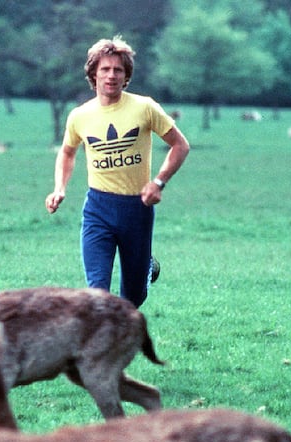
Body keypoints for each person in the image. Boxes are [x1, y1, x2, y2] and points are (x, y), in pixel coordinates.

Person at [45, 36, 189, 308]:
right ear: (93, 74)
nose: (111, 75)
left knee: (131, 300)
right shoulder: (79, 116)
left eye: (118, 70)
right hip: (98, 208)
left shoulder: (145, 107)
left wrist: (159, 182)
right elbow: (67, 152)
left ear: (126, 76)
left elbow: (180, 145)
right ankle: (101, 350)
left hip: (137, 209)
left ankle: (145, 269)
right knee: (96, 294)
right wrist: (59, 188)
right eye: (105, 69)